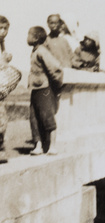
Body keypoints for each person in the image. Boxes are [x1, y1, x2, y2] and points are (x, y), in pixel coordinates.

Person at [28, 26, 64, 155]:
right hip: (35, 89)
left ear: (36, 38)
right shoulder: (35, 50)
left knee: (47, 117)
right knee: (34, 118)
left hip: (44, 89)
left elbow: (55, 68)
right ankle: (38, 145)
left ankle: (52, 146)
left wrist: (57, 85)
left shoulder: (42, 51)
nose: (27, 37)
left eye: (29, 35)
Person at [0, 16, 13, 163]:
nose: (3, 32)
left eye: (5, 29)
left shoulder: (2, 44)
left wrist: (6, 58)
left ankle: (1, 149)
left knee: (2, 118)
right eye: (0, 28)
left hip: (1, 86)